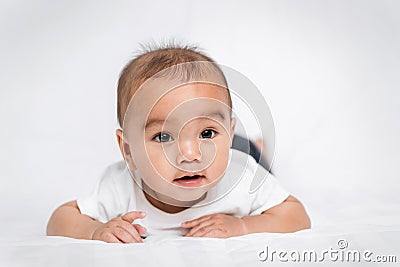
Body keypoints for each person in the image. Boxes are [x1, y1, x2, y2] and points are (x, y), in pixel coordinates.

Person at [47, 44, 310, 243]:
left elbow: (297, 216)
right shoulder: (119, 187)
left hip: (240, 152)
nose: (190, 155)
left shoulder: (242, 177)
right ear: (128, 150)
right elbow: (60, 220)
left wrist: (242, 226)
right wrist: (95, 231)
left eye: (207, 133)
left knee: (252, 155)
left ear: (228, 132)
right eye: (163, 137)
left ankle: (254, 145)